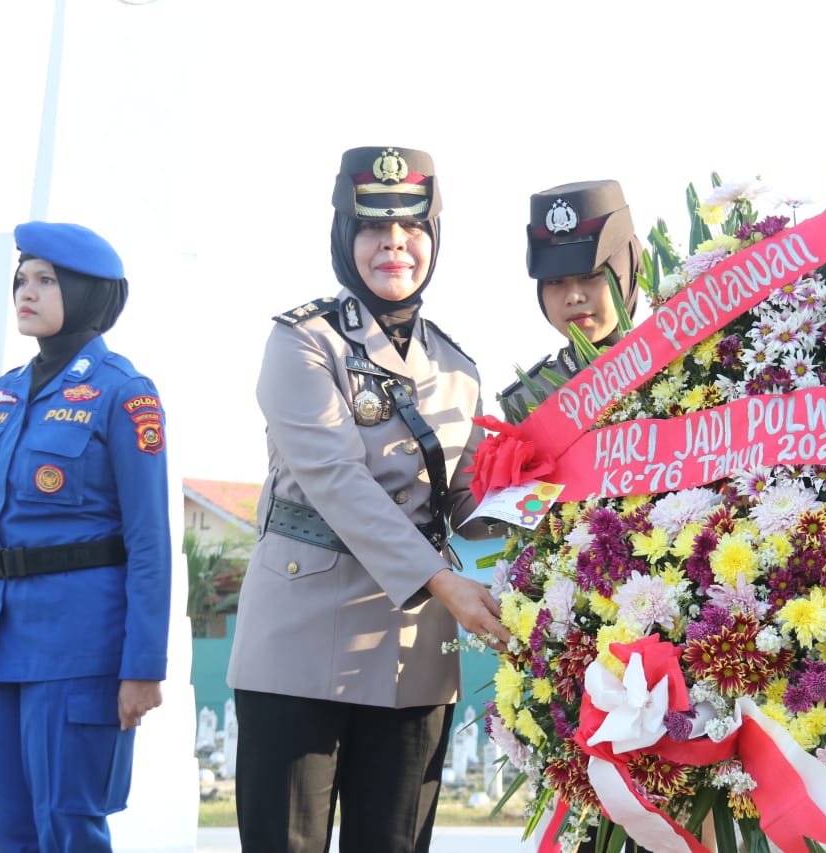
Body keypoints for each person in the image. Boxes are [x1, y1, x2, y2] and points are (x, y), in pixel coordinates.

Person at [226, 145, 510, 853]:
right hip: (298, 645)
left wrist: (546, 496)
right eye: (373, 228)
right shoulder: (301, 342)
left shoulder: (459, 368)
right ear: (343, 237)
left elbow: (471, 498)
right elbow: (335, 478)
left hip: (412, 658)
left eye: (412, 229)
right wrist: (446, 580)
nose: (394, 244)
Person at [0, 222, 171, 850]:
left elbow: (149, 542)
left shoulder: (123, 394)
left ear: (87, 291)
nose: (26, 293)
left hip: (78, 649)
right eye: (21, 280)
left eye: (46, 280)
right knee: (0, 823)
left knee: (68, 822)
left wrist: (142, 666)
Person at [497, 179, 643, 421]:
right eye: (555, 281)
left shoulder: (681, 369)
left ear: (628, 273)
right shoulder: (527, 402)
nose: (574, 296)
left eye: (591, 276)